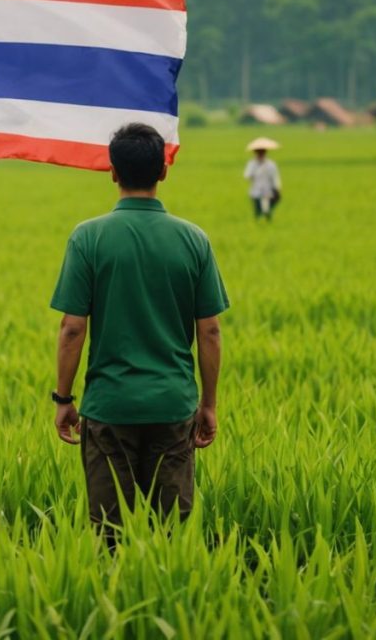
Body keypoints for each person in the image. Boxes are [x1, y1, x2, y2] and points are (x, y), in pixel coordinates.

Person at [50, 123, 229, 540]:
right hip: (173, 405)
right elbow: (211, 332)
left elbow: (72, 329)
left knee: (109, 535)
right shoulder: (193, 240)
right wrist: (209, 403)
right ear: (164, 171)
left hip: (109, 407)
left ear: (112, 172)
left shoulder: (88, 237)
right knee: (171, 535)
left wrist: (63, 398)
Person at [244, 138, 282, 221]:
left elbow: (275, 178)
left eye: (262, 152)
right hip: (255, 191)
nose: (260, 154)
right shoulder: (252, 164)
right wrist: (255, 171)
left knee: (267, 210)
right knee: (257, 210)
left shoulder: (271, 164)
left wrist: (277, 189)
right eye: (259, 152)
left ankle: (267, 223)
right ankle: (258, 223)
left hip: (267, 191)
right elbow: (247, 176)